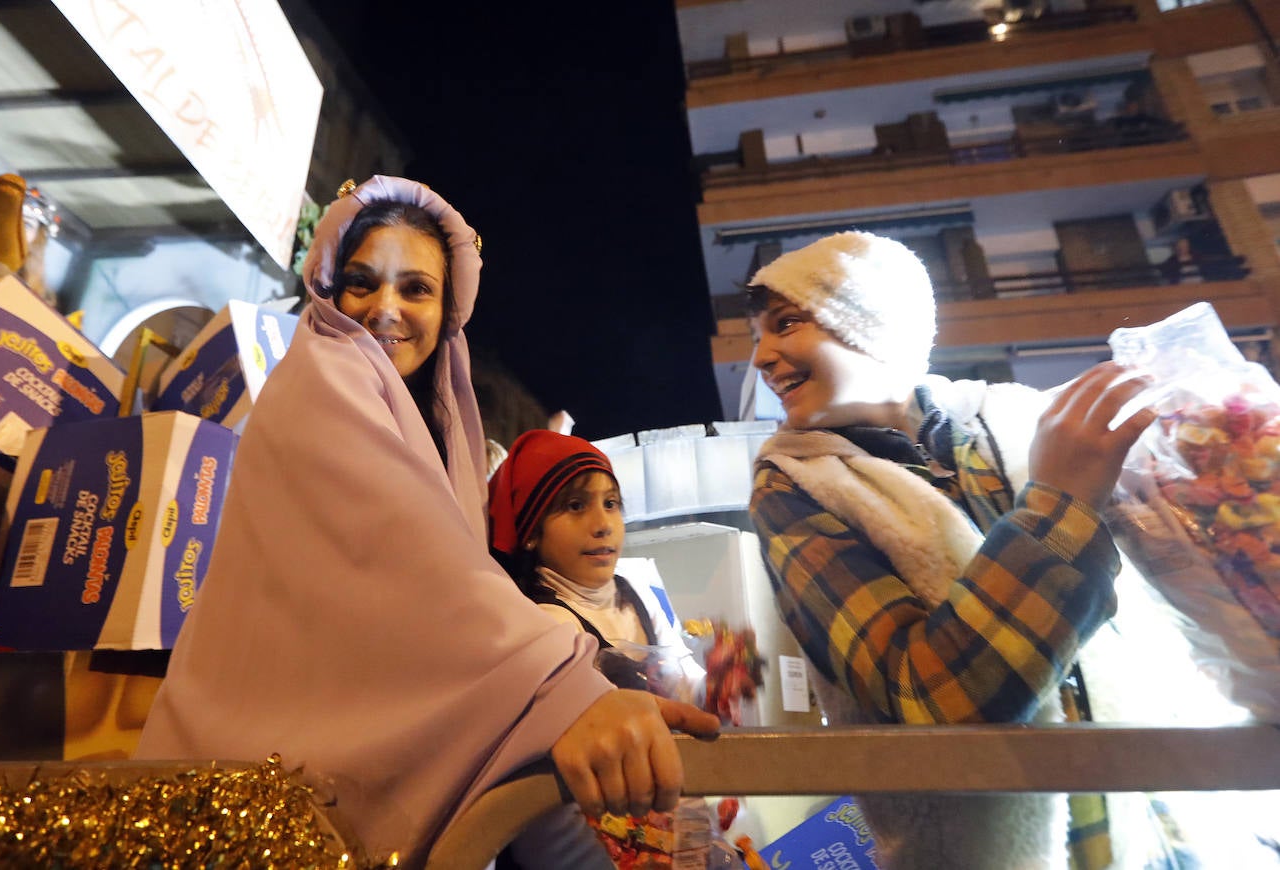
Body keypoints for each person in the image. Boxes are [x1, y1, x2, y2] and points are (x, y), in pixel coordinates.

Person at [136, 176, 719, 869]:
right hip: (247, 788)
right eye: (361, 282)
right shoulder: (322, 377)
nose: (385, 308)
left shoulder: (434, 429)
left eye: (416, 289)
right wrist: (562, 688)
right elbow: (417, 570)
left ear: (448, 313)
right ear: (329, 293)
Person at [744, 230, 1156, 870]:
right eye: (760, 334)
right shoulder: (792, 486)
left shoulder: (1002, 428)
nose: (762, 358)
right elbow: (936, 701)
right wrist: (1058, 508)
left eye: (786, 322)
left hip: (1131, 833)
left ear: (868, 320)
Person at [488, 429, 728, 870]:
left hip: (662, 837)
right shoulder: (541, 625)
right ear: (530, 532)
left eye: (611, 503)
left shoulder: (637, 592)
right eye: (575, 506)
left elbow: (681, 686)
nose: (602, 523)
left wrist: (717, 683)